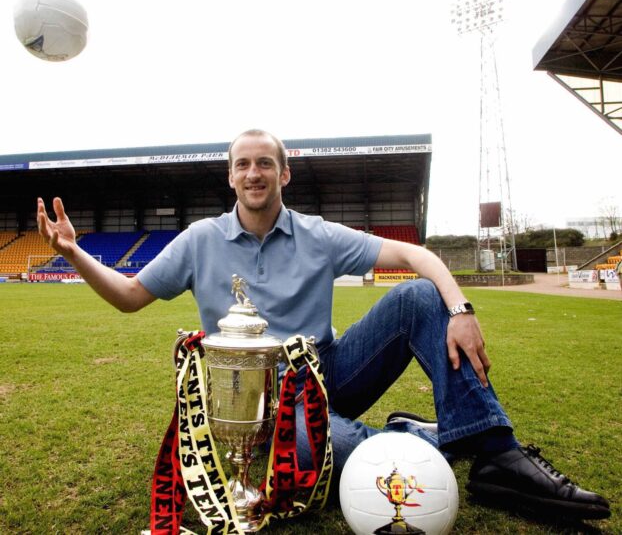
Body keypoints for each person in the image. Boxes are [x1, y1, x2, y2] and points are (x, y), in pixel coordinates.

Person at [37, 128, 610, 522]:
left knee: (417, 297)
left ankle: (498, 455)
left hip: (330, 372)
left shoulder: (317, 233)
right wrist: (74, 252)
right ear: (230, 177)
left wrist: (460, 311)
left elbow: (420, 259)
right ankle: (424, 438)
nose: (254, 172)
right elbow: (130, 296)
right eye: (243, 164)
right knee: (315, 460)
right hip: (262, 405)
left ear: (284, 172)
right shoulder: (199, 241)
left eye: (265, 162)